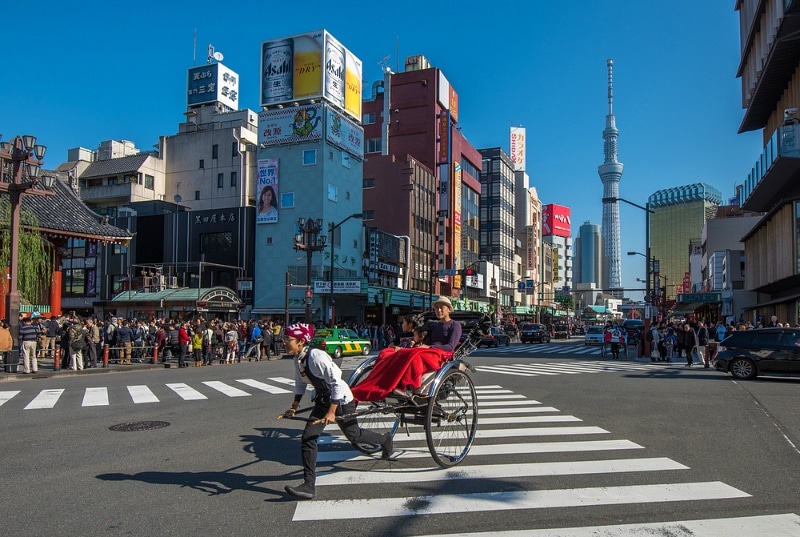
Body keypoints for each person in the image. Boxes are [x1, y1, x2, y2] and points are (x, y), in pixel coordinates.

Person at [281, 323, 392, 501]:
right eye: (284, 338)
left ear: (301, 341)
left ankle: (384, 440)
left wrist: (332, 411)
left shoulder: (316, 356)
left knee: (354, 435)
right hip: (323, 400)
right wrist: (294, 406)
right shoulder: (298, 358)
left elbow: (336, 382)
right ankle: (309, 486)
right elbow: (300, 383)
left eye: (288, 339)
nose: (284, 342)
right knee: (308, 438)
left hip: (340, 399)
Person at [350, 296, 462, 401]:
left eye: (441, 308)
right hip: (429, 350)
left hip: (443, 353)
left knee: (415, 356)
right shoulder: (434, 326)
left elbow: (451, 346)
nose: (438, 310)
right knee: (392, 352)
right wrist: (413, 345)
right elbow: (425, 342)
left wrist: (429, 347)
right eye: (436, 308)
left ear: (449, 310)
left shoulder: (455, 325)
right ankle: (386, 383)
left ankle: (410, 386)